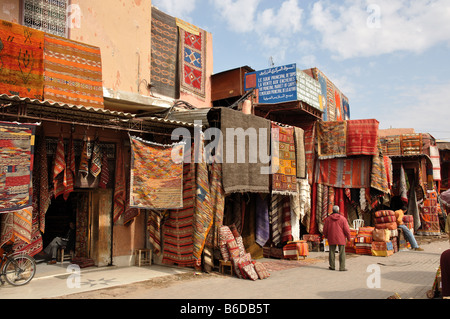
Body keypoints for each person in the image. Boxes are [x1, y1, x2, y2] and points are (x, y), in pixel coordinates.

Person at [323, 205, 351, 271]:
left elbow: (325, 229)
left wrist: (326, 236)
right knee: (342, 252)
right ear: (338, 210)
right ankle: (342, 267)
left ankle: (332, 266)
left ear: (332, 210)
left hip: (331, 237)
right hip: (341, 238)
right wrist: (349, 238)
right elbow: (347, 229)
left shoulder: (328, 219)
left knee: (332, 252)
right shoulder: (343, 219)